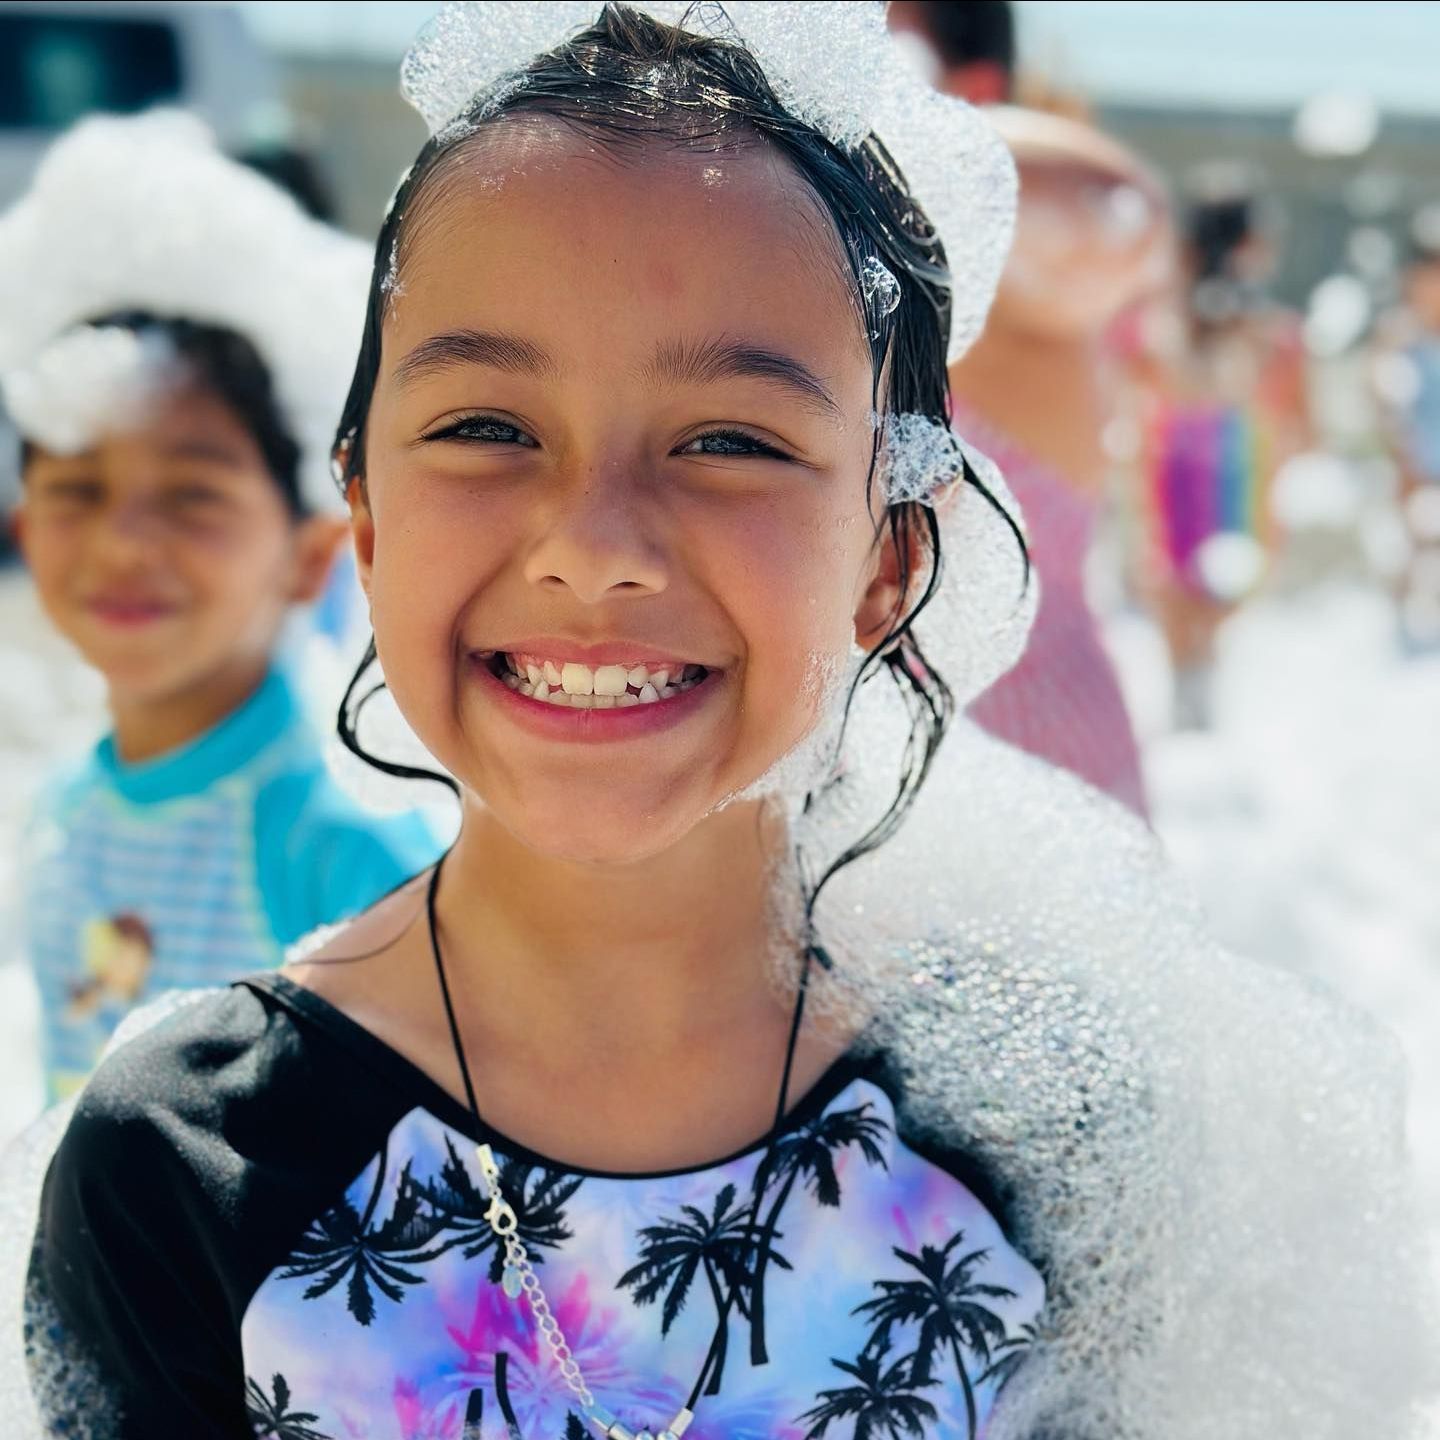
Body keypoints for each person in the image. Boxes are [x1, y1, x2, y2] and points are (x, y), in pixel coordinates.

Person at [9, 8, 1434, 1440]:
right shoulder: (191, 1163)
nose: (594, 543)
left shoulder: (1053, 1138)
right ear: (365, 514)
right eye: (486, 427)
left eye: (732, 442)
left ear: (887, 559)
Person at [0, 114, 441, 1101]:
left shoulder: (340, 839)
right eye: (77, 490)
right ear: (25, 531)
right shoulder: (68, 810)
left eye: (192, 493)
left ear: (312, 554)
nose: (123, 542)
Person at [890, 0, 1165, 816]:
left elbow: (1120, 206)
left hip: (1034, 778)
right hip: (914, 786)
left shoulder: (1005, 272)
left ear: (966, 83)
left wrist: (865, 116)